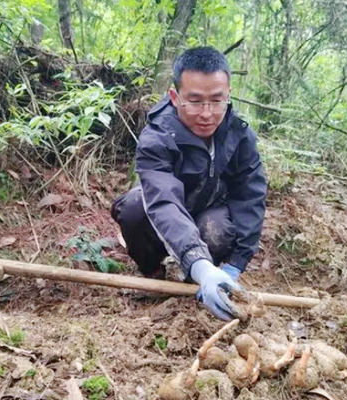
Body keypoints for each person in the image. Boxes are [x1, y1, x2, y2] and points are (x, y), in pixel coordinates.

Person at [111, 46, 267, 321]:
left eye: (217, 101)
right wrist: (199, 264)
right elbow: (164, 201)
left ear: (228, 95)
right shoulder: (157, 137)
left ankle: (199, 281)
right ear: (174, 97)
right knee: (133, 209)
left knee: (217, 229)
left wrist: (235, 265)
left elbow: (249, 196)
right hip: (167, 212)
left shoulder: (240, 136)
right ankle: (155, 275)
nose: (207, 114)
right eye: (194, 101)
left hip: (210, 209)